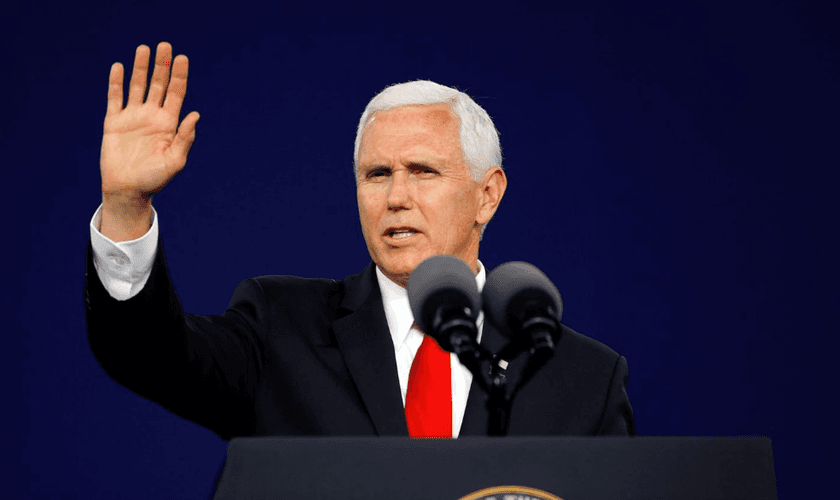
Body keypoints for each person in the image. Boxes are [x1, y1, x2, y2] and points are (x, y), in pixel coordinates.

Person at [86, 41, 636, 440]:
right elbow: (147, 357)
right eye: (376, 174)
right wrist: (126, 206)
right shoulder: (281, 329)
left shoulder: (580, 375)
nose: (396, 196)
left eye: (422, 171)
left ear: (487, 195)